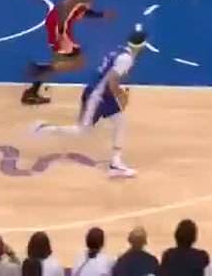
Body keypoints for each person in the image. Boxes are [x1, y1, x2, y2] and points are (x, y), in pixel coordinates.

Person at [32, 26, 148, 178]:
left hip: (103, 94)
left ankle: (116, 164)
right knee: (81, 131)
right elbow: (112, 79)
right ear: (142, 45)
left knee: (120, 122)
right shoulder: (126, 59)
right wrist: (120, 95)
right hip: (97, 96)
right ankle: (44, 129)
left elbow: (110, 73)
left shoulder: (120, 51)